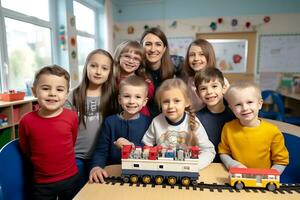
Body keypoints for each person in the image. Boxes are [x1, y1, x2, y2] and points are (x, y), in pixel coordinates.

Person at [19, 65, 80, 199]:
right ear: (34, 91)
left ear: (66, 93)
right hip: (42, 183)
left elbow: (72, 140)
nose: (52, 93)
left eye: (59, 89)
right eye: (45, 88)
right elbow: (26, 149)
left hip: (71, 178)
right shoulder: (26, 121)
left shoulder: (72, 116)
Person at [65, 49, 118, 181]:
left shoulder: (114, 97)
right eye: (93, 66)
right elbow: (63, 128)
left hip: (102, 157)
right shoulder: (73, 96)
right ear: (86, 67)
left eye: (104, 68)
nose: (98, 71)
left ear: (110, 72)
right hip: (75, 156)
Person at [89, 75, 152, 183]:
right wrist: (96, 167)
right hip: (113, 171)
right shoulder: (110, 122)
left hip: (140, 172)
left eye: (137, 97)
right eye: (127, 96)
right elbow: (101, 151)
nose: (132, 101)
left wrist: (132, 147)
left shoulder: (149, 122)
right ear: (119, 99)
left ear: (144, 101)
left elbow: (151, 149)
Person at [142, 78, 215, 170]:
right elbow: (147, 146)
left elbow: (209, 151)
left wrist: (194, 166)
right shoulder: (156, 122)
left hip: (186, 169)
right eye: (166, 102)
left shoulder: (193, 122)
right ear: (160, 104)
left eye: (176, 101)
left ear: (187, 102)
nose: (171, 106)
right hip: (163, 168)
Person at [218, 82, 289, 174]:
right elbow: (223, 152)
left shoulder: (272, 131)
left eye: (250, 102)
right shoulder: (228, 128)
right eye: (238, 104)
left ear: (260, 104)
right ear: (231, 108)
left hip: (263, 181)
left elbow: (281, 161)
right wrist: (232, 164)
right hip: (237, 177)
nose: (245, 108)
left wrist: (271, 175)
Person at [195, 67, 235, 162]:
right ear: (198, 93)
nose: (209, 92)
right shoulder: (195, 118)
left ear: (224, 88)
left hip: (231, 165)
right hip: (204, 165)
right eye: (203, 88)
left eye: (214, 86)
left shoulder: (235, 116)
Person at [140, 27, 183, 117]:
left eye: (158, 44)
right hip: (146, 121)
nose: (153, 49)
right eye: (148, 44)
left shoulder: (177, 63)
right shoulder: (136, 69)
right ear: (141, 48)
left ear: (164, 48)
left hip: (171, 118)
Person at [184, 38, 229, 112]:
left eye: (201, 54)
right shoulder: (187, 81)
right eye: (192, 55)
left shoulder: (221, 80)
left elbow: (233, 103)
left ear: (209, 56)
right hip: (194, 120)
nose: (196, 58)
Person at [113, 40, 154, 116]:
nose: (131, 61)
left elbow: (149, 96)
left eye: (136, 58)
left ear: (140, 62)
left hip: (142, 120)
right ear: (119, 57)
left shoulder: (145, 82)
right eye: (127, 56)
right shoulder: (111, 81)